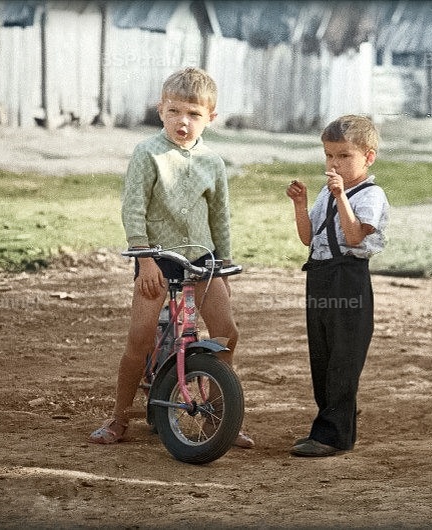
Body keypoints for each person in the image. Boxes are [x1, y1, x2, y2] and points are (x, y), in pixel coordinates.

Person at [89, 67, 254, 448]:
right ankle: (118, 419)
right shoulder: (148, 153)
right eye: (175, 111)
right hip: (157, 257)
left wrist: (224, 265)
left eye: (194, 114)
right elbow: (133, 208)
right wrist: (145, 259)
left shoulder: (213, 162)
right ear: (161, 109)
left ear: (210, 118)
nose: (184, 121)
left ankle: (220, 416)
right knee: (141, 337)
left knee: (228, 332)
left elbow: (220, 217)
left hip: (204, 260)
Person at [285, 115, 389, 457]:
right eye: (329, 156)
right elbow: (307, 238)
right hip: (320, 275)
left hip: (349, 279)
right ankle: (333, 423)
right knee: (323, 353)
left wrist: (341, 196)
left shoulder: (370, 195)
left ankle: (333, 434)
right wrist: (300, 205)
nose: (335, 163)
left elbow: (354, 235)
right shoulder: (325, 193)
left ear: (368, 157)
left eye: (344, 156)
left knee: (344, 355)